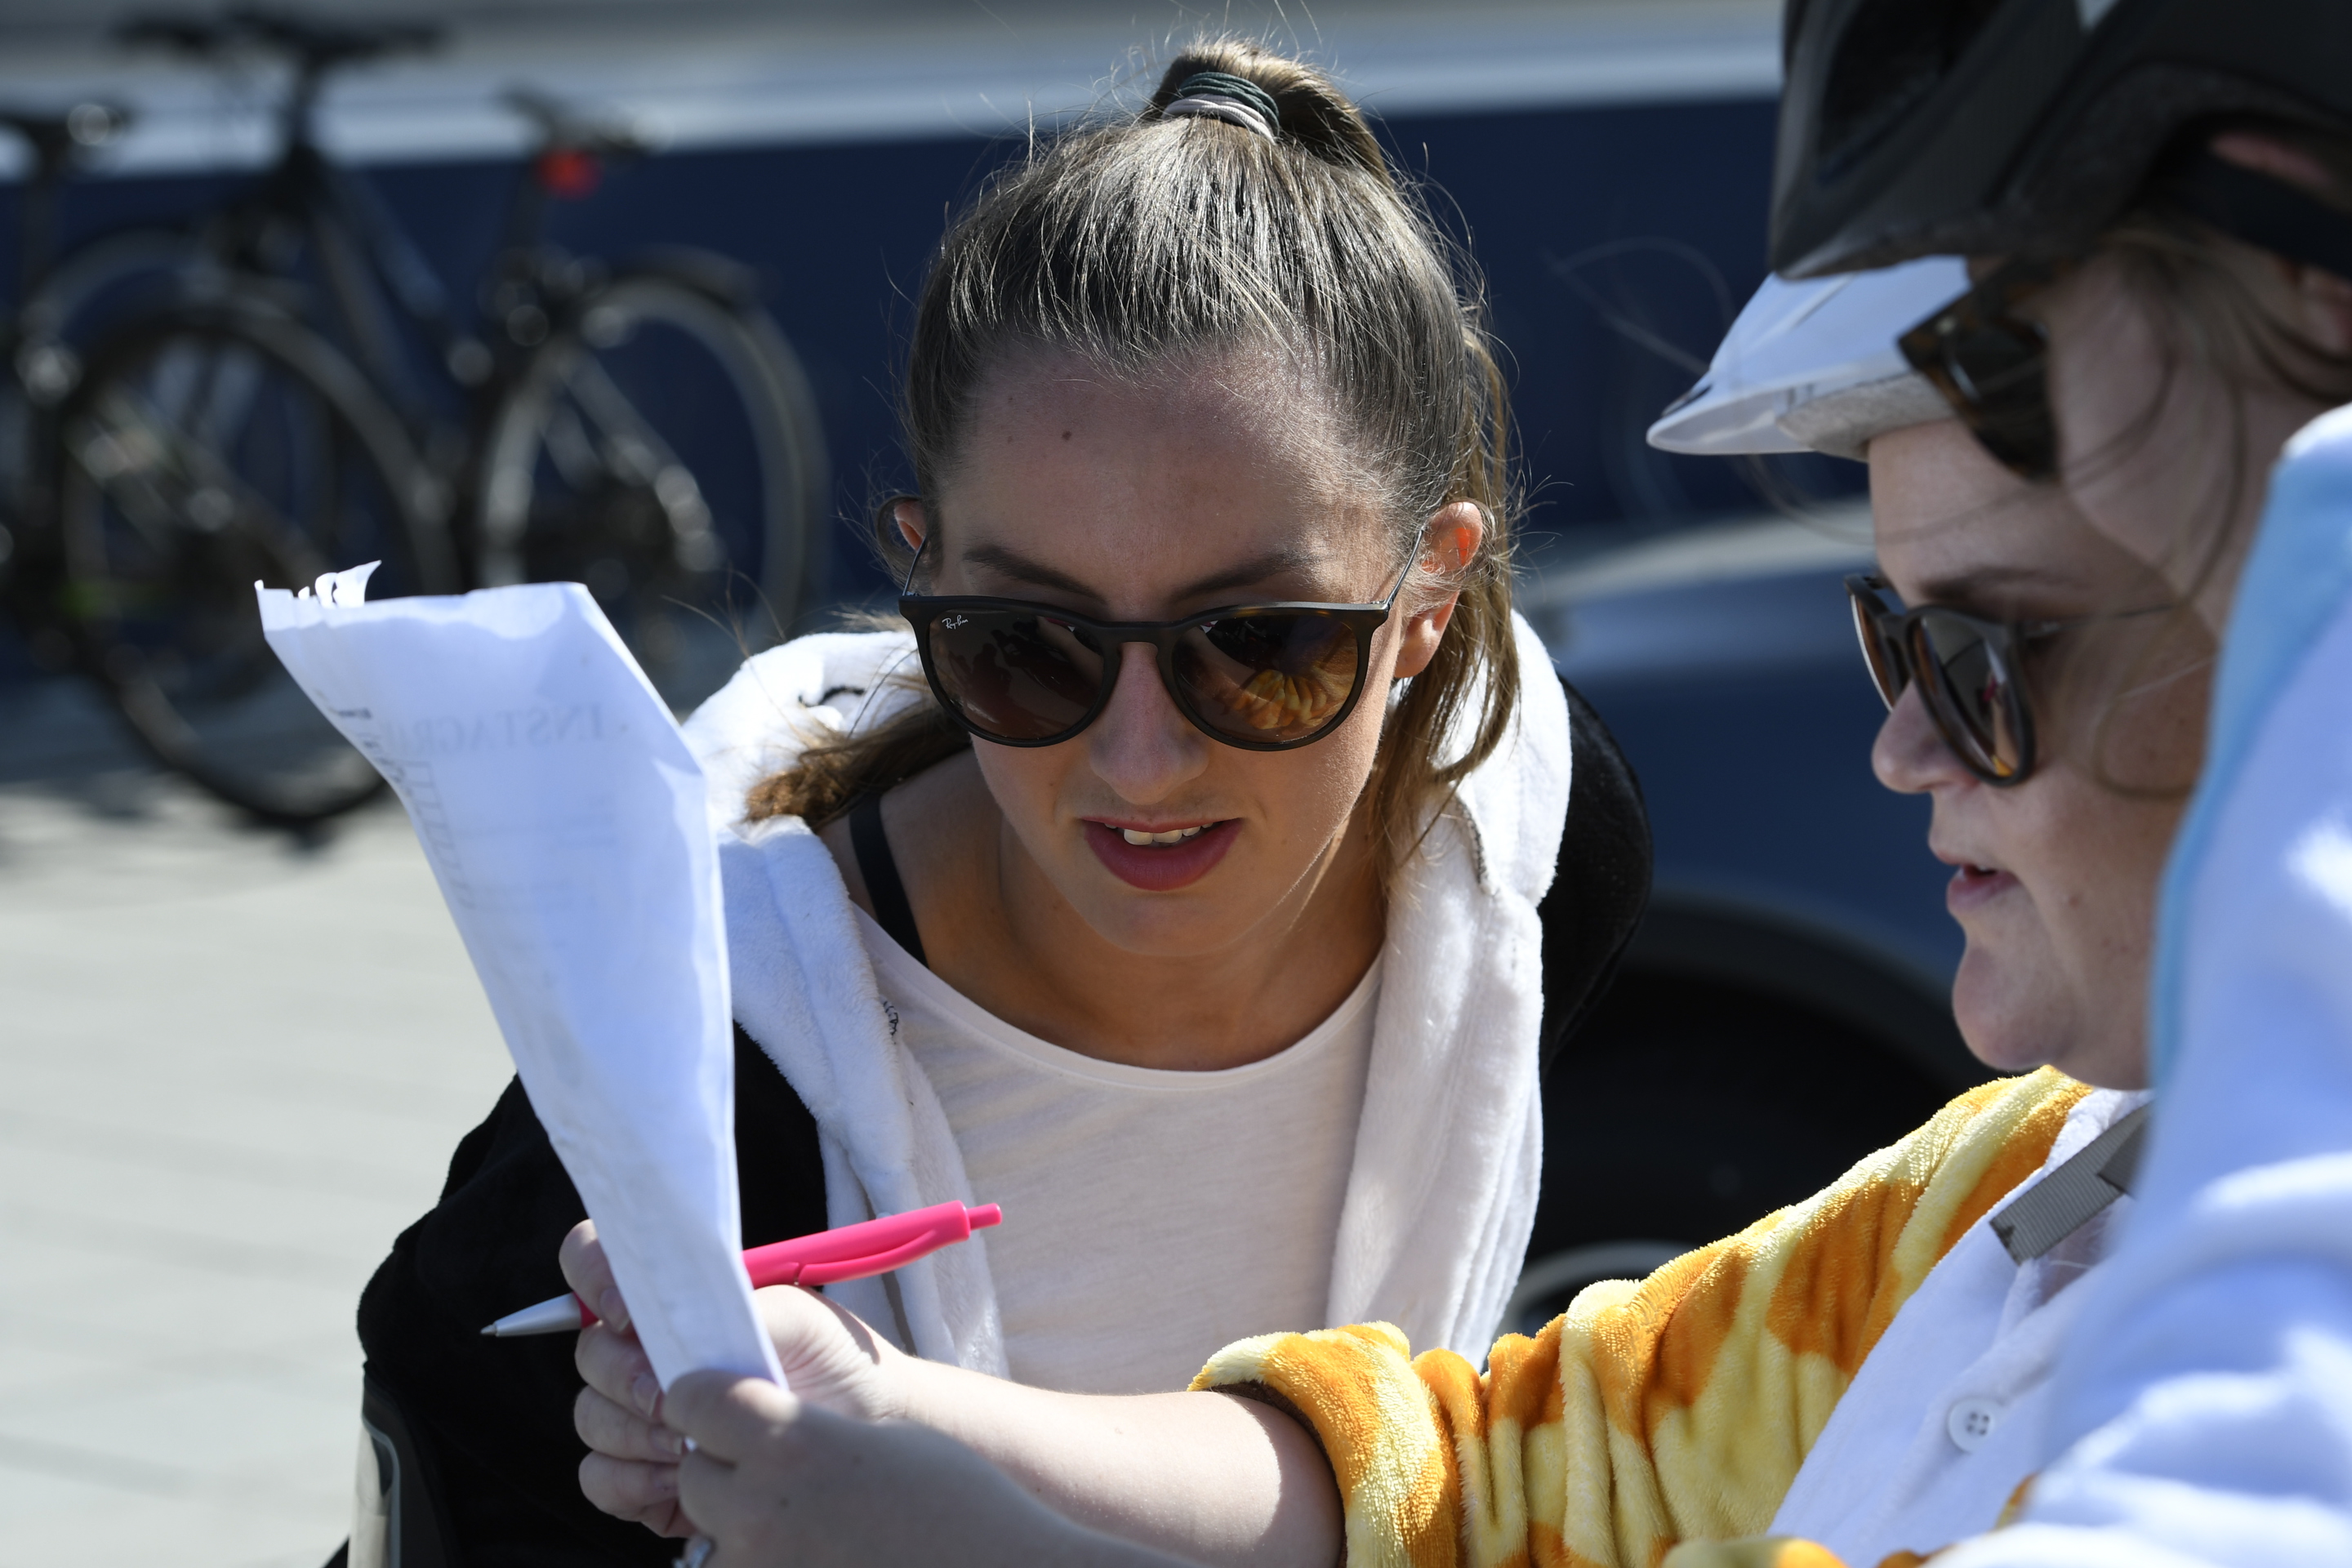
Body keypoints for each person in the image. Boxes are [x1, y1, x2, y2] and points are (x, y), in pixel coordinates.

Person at [566, 0, 2352, 1560]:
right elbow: (1494, 1469)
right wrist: (901, 1414)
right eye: (1895, 640)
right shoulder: (2022, 1174)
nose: (1900, 745)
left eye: (1991, 658)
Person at [350, 37, 1648, 1565]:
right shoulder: (700, 1068)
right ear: (925, 573)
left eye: (1262, 645)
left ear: (1427, 598)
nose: (1141, 761)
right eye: (1026, 644)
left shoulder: (1536, 854)